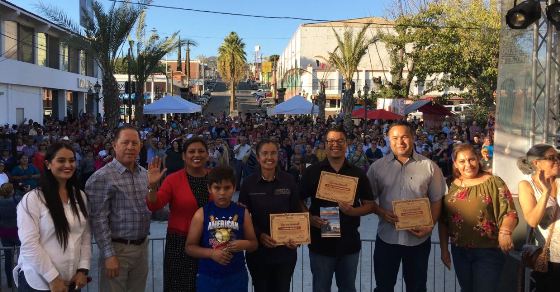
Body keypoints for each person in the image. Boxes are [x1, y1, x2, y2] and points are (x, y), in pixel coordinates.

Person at [367, 121, 446, 292]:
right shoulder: (377, 168)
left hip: (418, 240)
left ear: (413, 137)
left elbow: (436, 200)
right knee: (384, 287)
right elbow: (368, 201)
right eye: (395, 138)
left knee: (417, 287)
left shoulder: (430, 167)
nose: (400, 142)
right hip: (387, 238)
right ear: (388, 139)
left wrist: (430, 225)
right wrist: (381, 211)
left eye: (404, 137)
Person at [300, 127, 374, 292]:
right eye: (331, 141)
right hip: (320, 244)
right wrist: (309, 218)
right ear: (325, 145)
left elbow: (370, 204)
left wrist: (353, 211)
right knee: (320, 288)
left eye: (340, 141)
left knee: (348, 288)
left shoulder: (357, 173)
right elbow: (298, 200)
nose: (335, 144)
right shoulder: (312, 171)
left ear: (347, 144)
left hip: (349, 244)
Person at [439, 144, 518, 292]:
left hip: (488, 251)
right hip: (459, 251)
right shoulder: (449, 185)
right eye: (462, 161)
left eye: (472, 159)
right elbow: (443, 221)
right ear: (455, 164)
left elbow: (509, 212)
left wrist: (505, 231)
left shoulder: (494, 182)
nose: (468, 165)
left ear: (478, 159)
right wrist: (444, 250)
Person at [14, 143, 90, 291]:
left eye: (72, 160)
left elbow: (85, 235)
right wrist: (53, 278)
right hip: (39, 282)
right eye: (61, 160)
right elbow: (29, 244)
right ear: (48, 164)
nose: (68, 165)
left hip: (72, 280)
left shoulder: (80, 196)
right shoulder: (33, 199)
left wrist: (83, 270)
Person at [86, 126, 151, 292]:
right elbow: (98, 221)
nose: (130, 147)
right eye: (125, 142)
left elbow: (151, 208)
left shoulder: (145, 174)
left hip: (142, 248)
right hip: (118, 250)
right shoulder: (101, 178)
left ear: (140, 145)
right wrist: (109, 255)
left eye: (134, 143)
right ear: (114, 145)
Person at [146, 137, 211, 292]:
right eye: (192, 151)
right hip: (179, 244)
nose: (197, 154)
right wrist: (153, 187)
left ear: (207, 155)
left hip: (210, 242)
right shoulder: (173, 179)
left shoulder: (214, 177)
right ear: (183, 156)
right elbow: (154, 204)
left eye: (201, 151)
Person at [238, 139, 301, 292]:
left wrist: (297, 238)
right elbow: (243, 217)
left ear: (278, 156)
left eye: (273, 153)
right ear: (258, 157)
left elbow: (296, 213)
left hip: (285, 252)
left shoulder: (289, 180)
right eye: (264, 154)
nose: (269, 157)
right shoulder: (248, 183)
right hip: (258, 253)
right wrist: (259, 235)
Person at [185, 166, 258, 292]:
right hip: (208, 277)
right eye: (217, 188)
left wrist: (245, 244)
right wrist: (211, 253)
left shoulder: (242, 212)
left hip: (236, 276)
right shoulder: (201, 213)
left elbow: (254, 244)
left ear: (234, 188)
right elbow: (189, 247)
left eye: (227, 188)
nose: (222, 192)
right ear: (209, 189)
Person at [517, 144, 560, 291]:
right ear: (536, 163)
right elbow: (532, 220)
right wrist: (546, 192)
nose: (557, 161)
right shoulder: (527, 185)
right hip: (548, 258)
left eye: (558, 157)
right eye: (551, 158)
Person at [0, 164, 19, 288]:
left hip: (4, 232)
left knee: (8, 258)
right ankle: (19, 280)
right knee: (20, 257)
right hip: (16, 231)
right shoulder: (17, 200)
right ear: (11, 191)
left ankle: (10, 283)